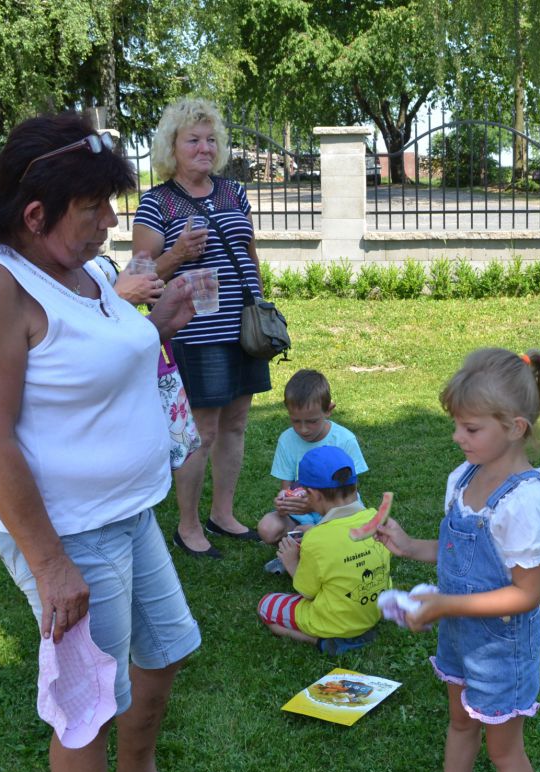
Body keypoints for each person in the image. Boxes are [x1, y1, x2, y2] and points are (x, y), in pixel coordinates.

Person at [0, 113, 213, 772]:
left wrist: (161, 321)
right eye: (94, 208)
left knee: (167, 647)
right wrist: (51, 563)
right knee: (87, 704)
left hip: (131, 512)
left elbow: (94, 356)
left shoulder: (87, 269)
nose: (110, 224)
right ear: (35, 215)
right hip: (69, 531)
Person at [375, 348, 540, 772]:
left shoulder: (526, 502)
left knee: (504, 750)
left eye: (471, 428)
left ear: (515, 427)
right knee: (460, 721)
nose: (458, 437)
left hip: (501, 648)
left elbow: (526, 593)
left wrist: (443, 606)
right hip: (459, 635)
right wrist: (411, 546)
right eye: (456, 424)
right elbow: (459, 552)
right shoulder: (462, 478)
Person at [133, 97, 271, 557]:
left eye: (211, 140)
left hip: (242, 328)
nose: (204, 148)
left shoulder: (233, 192)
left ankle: (222, 514)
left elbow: (248, 251)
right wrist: (178, 255)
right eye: (193, 140)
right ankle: (188, 526)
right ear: (172, 146)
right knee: (202, 431)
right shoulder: (157, 202)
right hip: (196, 331)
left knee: (236, 424)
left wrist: (260, 301)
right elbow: (138, 277)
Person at [256, 446, 391, 654]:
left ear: (313, 494)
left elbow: (308, 592)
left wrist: (292, 562)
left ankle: (322, 641)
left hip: (333, 620)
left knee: (266, 606)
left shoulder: (316, 539)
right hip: (375, 611)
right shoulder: (376, 519)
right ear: (355, 485)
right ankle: (359, 627)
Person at [256, 369, 369, 573]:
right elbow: (287, 489)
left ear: (329, 410)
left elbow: (350, 496)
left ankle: (302, 554)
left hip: (340, 514)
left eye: (312, 421)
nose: (303, 429)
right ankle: (300, 552)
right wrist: (283, 504)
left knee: (325, 535)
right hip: (301, 517)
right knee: (268, 527)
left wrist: (317, 519)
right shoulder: (287, 440)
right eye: (296, 421)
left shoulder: (344, 440)